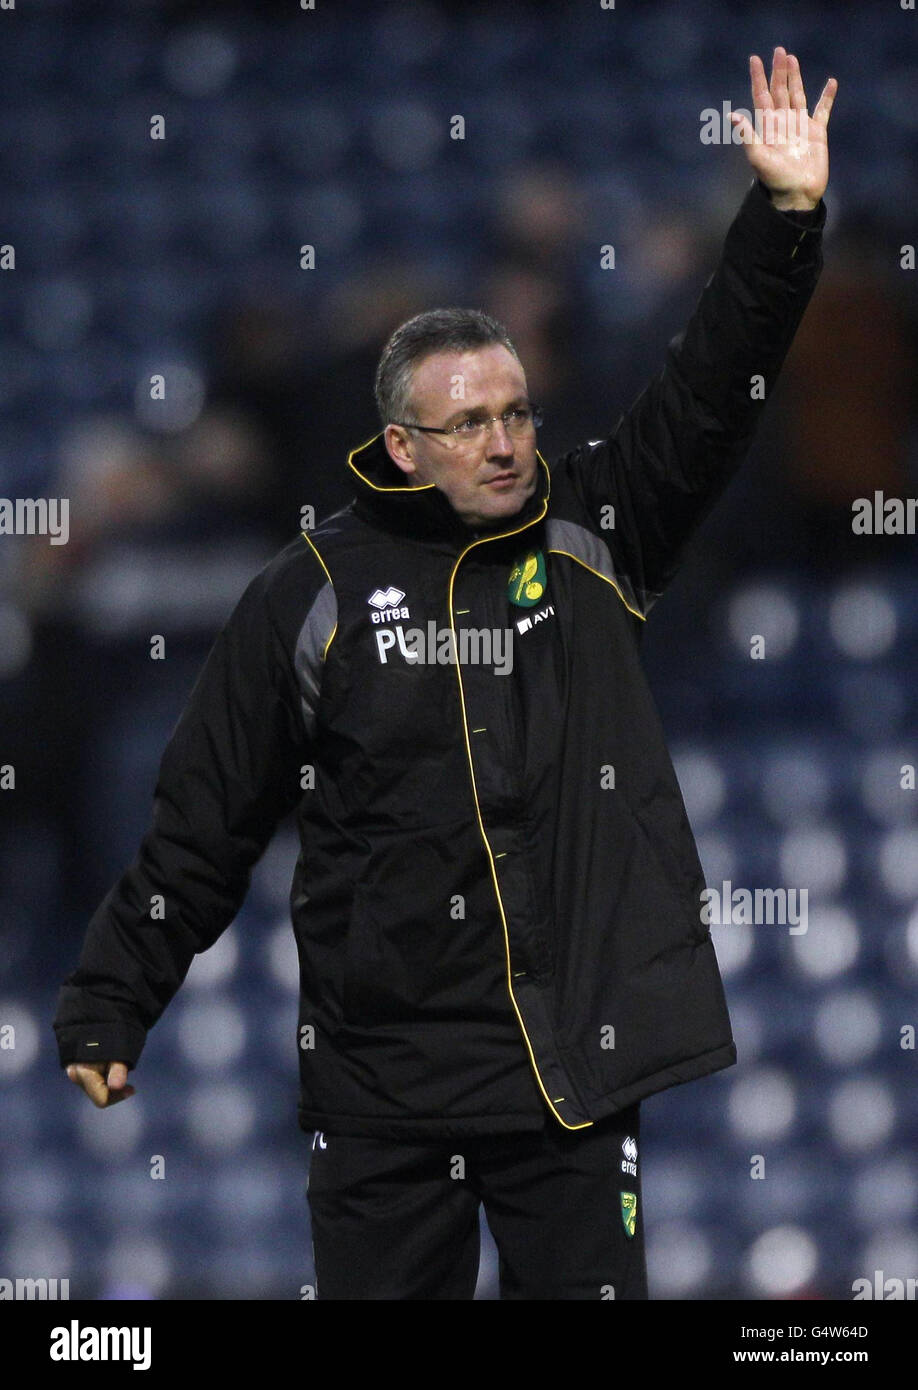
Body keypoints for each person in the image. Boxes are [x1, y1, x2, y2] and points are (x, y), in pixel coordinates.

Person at [55, 49, 836, 1300]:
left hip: (569, 1079)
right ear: (402, 446)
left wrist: (784, 221)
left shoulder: (596, 533)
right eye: (470, 423)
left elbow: (708, 391)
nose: (507, 442)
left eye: (518, 413)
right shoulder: (306, 597)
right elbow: (201, 824)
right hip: (384, 1098)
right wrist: (109, 1000)